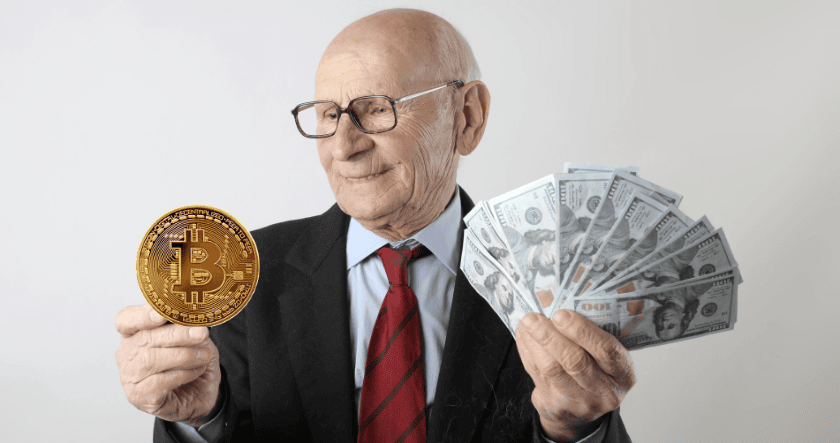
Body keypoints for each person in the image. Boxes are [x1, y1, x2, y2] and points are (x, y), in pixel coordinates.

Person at [115, 9, 635, 443]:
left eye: (377, 109)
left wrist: (576, 429)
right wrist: (201, 421)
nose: (344, 146)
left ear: (467, 116)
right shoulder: (245, 274)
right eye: (327, 115)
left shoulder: (557, 279)